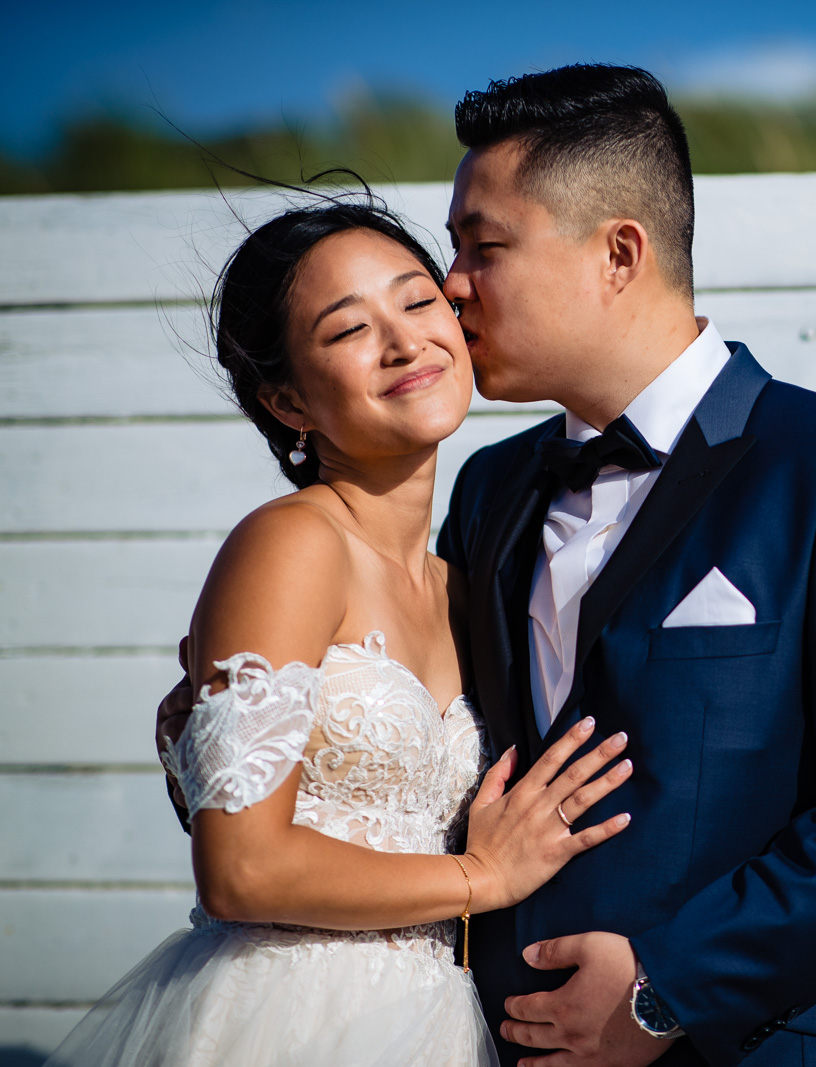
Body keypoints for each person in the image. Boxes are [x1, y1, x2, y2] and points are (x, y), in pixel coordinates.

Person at [434, 65, 816, 1067]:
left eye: (485, 247)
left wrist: (665, 989)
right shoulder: (487, 489)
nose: (450, 284)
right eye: (451, 249)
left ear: (618, 252)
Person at [52, 199, 634, 1067]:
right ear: (286, 400)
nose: (404, 343)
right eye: (350, 329)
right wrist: (484, 877)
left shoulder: (464, 583)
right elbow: (240, 869)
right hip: (289, 1017)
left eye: (417, 301)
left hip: (433, 1019)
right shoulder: (290, 544)